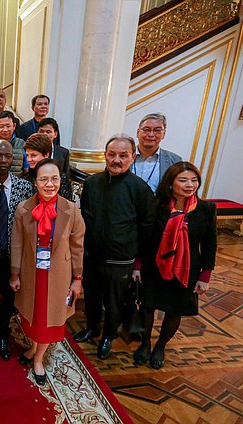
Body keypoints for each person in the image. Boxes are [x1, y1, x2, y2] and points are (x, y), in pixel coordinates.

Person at [74, 135, 155, 360]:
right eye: (112, 154)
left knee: (113, 301)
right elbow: (86, 218)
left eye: (123, 155)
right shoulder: (92, 183)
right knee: (91, 295)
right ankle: (92, 327)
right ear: (105, 155)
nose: (116, 160)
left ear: (133, 157)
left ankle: (109, 335)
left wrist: (137, 261)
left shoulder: (140, 189)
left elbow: (147, 227)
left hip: (121, 259)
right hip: (92, 255)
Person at [134, 162, 216, 369]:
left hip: (186, 269)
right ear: (171, 183)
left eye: (194, 180)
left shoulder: (206, 209)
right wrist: (138, 265)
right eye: (183, 180)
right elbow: (144, 238)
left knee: (175, 310)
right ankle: (144, 344)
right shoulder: (156, 205)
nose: (190, 185)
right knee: (147, 307)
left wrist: (205, 276)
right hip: (154, 266)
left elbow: (209, 244)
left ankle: (160, 347)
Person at [10, 158, 85, 385]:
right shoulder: (24, 209)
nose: (49, 184)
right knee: (34, 317)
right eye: (44, 179)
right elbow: (17, 244)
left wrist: (77, 279)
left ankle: (39, 358)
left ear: (60, 180)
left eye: (54, 179)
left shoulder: (70, 209)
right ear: (35, 181)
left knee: (50, 318)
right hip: (32, 274)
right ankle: (34, 348)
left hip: (59, 275)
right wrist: (14, 273)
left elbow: (77, 245)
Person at [0, 140, 34, 360]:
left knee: (9, 299)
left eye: (7, 156)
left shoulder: (25, 187)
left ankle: (3, 334)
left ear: (13, 158)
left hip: (14, 255)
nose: (2, 160)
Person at [134, 113, 183, 192]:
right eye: (146, 129)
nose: (151, 134)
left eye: (157, 130)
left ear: (164, 134)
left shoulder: (174, 161)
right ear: (138, 132)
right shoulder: (123, 157)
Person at [36, 118, 72, 200]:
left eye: (48, 132)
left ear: (55, 134)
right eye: (41, 131)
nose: (44, 134)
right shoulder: (33, 153)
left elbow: (65, 176)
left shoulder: (63, 152)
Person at [0, 111, 28, 175]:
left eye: (8, 126)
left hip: (18, 183)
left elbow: (26, 169)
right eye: (1, 126)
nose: (5, 130)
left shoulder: (22, 145)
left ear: (14, 126)